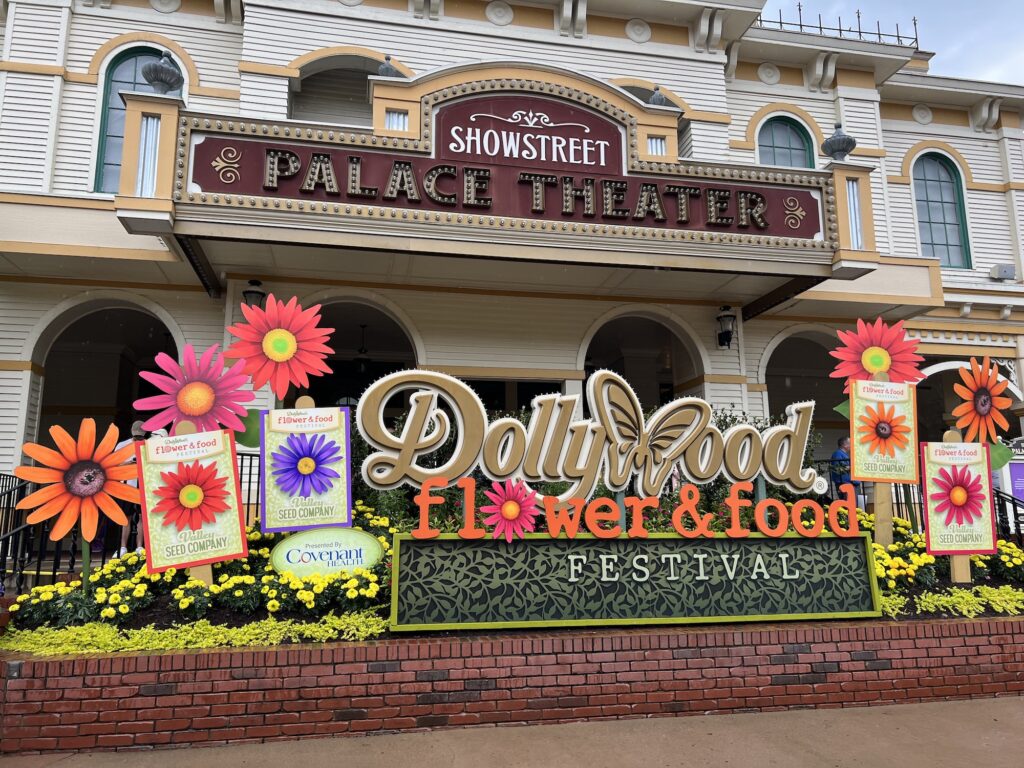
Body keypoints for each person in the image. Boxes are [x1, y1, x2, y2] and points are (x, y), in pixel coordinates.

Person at [115, 421, 147, 557]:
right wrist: (128, 463)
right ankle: (123, 547)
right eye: (136, 437)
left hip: (143, 485)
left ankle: (140, 547)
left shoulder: (149, 444)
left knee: (141, 517)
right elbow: (113, 464)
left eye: (140, 437)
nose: (138, 439)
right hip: (126, 486)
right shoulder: (122, 445)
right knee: (125, 517)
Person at [829, 436, 862, 507]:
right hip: (846, 484)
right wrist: (853, 467)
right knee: (849, 506)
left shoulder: (843, 454)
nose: (851, 445)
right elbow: (840, 469)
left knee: (854, 506)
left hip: (851, 483)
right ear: (844, 445)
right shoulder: (837, 454)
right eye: (850, 443)